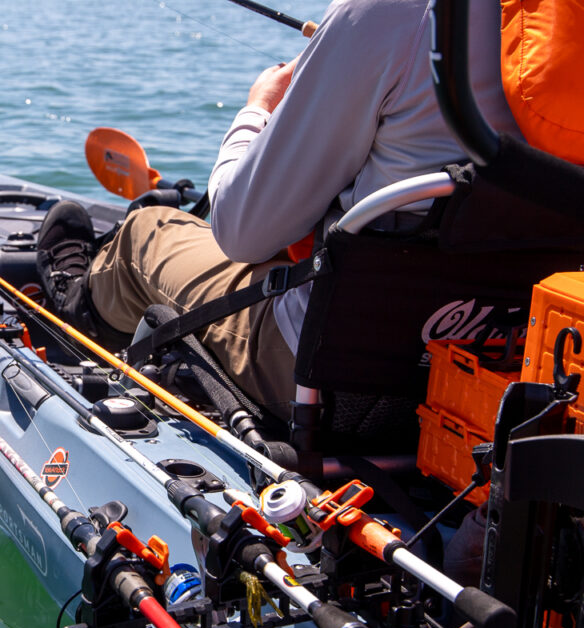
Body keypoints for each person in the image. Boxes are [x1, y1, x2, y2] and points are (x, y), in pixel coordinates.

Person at [36, 0, 520, 421]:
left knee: (146, 231)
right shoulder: (548, 37)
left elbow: (240, 232)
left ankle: (75, 312)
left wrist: (258, 109)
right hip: (509, 367)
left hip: (334, 376)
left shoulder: (392, 12)